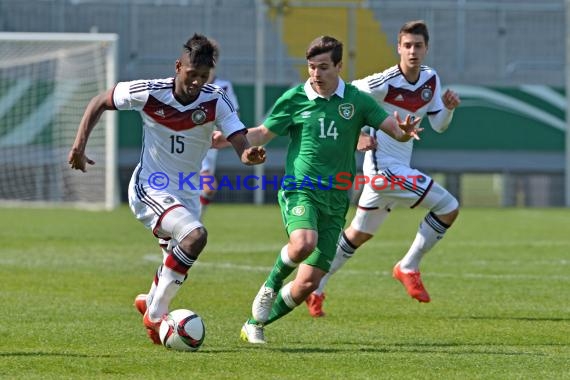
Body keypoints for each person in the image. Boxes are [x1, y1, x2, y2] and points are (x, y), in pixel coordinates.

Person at [67, 33, 266, 344]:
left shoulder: (216, 100)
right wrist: (79, 145)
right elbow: (100, 101)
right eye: (192, 74)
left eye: (204, 76)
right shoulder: (150, 92)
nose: (197, 81)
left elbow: (239, 139)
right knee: (195, 236)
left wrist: (247, 154)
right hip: (151, 187)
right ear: (178, 66)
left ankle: (149, 300)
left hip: (187, 192)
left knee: (177, 255)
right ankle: (156, 316)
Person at [234, 35, 422, 344]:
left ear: (338, 66)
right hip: (301, 188)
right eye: (311, 67)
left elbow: (392, 127)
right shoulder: (295, 98)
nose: (316, 74)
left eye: (323, 67)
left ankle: (254, 323)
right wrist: (234, 139)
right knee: (303, 243)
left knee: (308, 282)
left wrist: (403, 132)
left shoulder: (357, 101)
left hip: (337, 199)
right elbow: (264, 133)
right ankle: (270, 286)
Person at [305, 20, 461, 318]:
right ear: (398, 48)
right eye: (407, 45)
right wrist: (358, 135)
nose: (412, 51)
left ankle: (316, 285)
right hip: (383, 170)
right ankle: (408, 265)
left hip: (397, 169)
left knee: (357, 234)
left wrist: (449, 107)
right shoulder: (382, 82)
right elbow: (342, 99)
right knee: (449, 207)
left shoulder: (431, 80)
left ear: (426, 48)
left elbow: (439, 126)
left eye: (418, 45)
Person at [199, 40, 241, 219]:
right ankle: (189, 227)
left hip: (211, 147)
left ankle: (187, 226)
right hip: (190, 142)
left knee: (204, 190)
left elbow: (234, 117)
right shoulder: (189, 83)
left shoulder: (223, 87)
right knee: (208, 186)